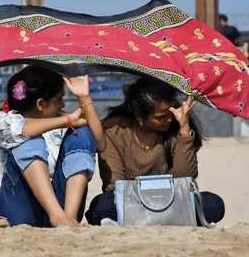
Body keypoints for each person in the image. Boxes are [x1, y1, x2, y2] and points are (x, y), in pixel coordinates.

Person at [84, 77, 225, 226]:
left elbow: (185, 178)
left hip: (171, 199)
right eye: (161, 117)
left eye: (170, 113)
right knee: (101, 205)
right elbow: (114, 185)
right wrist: (145, 198)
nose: (169, 119)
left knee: (214, 204)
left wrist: (184, 129)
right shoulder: (113, 131)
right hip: (130, 201)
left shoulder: (176, 126)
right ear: (140, 117)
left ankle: (144, 220)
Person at [0, 65, 106, 228]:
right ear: (40, 104)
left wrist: (84, 97)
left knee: (82, 133)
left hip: (59, 210)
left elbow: (99, 143)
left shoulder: (63, 120)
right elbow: (21, 129)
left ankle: (68, 218)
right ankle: (58, 217)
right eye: (59, 99)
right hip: (16, 210)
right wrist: (67, 121)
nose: (63, 105)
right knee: (28, 139)